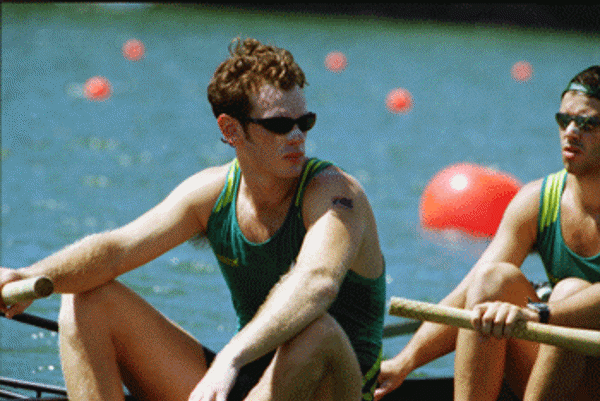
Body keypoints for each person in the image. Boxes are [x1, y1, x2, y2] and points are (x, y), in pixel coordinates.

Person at [0, 37, 386, 401]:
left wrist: (229, 357)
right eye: (280, 125)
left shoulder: (334, 194)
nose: (298, 136)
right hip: (250, 381)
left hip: (334, 387)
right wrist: (26, 275)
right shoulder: (211, 194)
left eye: (306, 122)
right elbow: (116, 251)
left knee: (316, 331)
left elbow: (317, 282)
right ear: (231, 129)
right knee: (86, 298)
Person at [375, 65, 600, 401]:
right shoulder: (537, 201)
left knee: (569, 290)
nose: (570, 132)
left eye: (587, 123)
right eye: (563, 120)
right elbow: (469, 291)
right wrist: (405, 361)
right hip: (565, 372)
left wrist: (538, 313)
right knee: (492, 281)